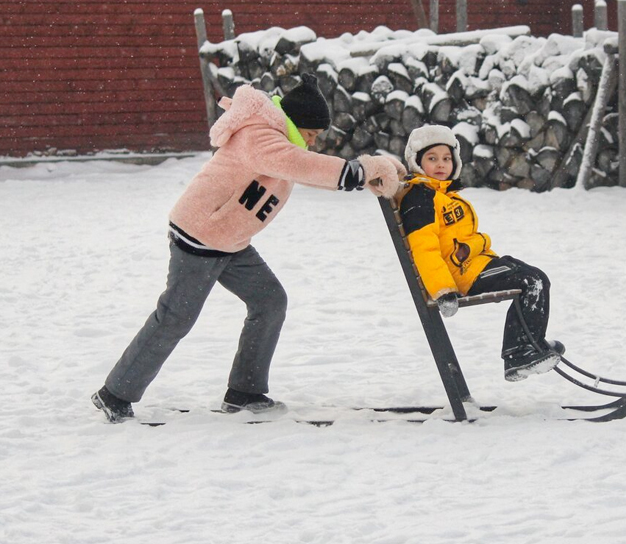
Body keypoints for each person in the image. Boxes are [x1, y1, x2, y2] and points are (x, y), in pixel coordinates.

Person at [92, 74, 405, 423]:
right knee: (176, 316)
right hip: (200, 234)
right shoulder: (260, 136)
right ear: (295, 124)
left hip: (230, 240)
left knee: (269, 301)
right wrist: (359, 172)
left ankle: (245, 392)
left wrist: (366, 177)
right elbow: (300, 165)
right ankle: (115, 393)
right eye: (312, 135)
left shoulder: (279, 142)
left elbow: (305, 169)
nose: (312, 143)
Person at [398, 125, 563, 382]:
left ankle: (529, 345)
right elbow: (424, 248)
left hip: (478, 263)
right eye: (432, 159)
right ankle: (518, 353)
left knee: (534, 276)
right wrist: (443, 291)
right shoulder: (421, 198)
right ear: (417, 162)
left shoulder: (442, 194)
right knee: (534, 281)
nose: (441, 164)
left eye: (446, 158)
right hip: (463, 274)